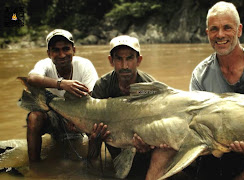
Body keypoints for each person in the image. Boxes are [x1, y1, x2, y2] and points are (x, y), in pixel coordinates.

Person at [189, 1, 244, 180]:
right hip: (213, 146)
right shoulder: (200, 74)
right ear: (207, 34)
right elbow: (194, 122)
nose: (220, 35)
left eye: (227, 27)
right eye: (214, 29)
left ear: (239, 30)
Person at [88, 35, 161, 178]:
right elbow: (90, 117)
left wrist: (149, 144)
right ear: (111, 61)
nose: (124, 66)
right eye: (119, 59)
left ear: (138, 60)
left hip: (139, 138)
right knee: (92, 143)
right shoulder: (102, 86)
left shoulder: (150, 86)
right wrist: (94, 137)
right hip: (112, 135)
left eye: (129, 58)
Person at [26, 29, 99, 162]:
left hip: (79, 114)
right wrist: (61, 84)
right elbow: (31, 79)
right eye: (56, 50)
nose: (62, 55)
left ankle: (92, 165)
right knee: (34, 117)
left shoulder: (84, 65)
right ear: (49, 53)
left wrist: (76, 120)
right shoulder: (45, 65)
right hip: (53, 115)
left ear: (74, 50)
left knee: (95, 123)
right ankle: (34, 167)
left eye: (66, 49)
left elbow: (92, 99)